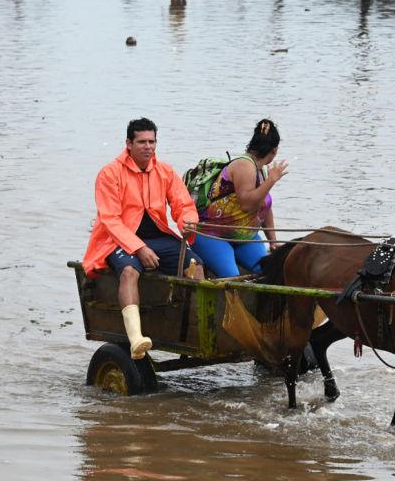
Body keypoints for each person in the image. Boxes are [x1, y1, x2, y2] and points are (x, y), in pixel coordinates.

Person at [82, 118, 205, 360]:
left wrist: (188, 221)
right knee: (129, 272)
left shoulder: (165, 171)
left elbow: (183, 205)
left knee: (196, 266)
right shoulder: (110, 173)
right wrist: (139, 248)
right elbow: (110, 219)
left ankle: (194, 331)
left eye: (152, 141)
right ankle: (136, 339)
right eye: (142, 142)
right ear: (128, 143)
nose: (148, 147)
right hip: (116, 240)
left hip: (157, 237)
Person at [191, 120, 288, 277]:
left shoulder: (261, 170)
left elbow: (264, 207)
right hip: (212, 235)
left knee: (269, 271)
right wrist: (271, 181)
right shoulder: (244, 165)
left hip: (245, 237)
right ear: (275, 151)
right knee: (232, 276)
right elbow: (247, 205)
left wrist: (273, 241)